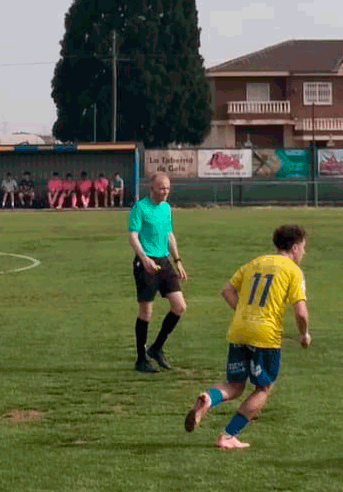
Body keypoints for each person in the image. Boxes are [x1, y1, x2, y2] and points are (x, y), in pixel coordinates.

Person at [184, 224, 311, 450]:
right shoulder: (293, 270)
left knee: (234, 384)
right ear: (294, 247)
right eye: (303, 247)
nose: (304, 252)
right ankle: (227, 436)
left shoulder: (256, 262)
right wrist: (304, 335)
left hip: (239, 329)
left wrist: (244, 313)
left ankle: (208, 399)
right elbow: (300, 312)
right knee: (263, 389)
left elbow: (227, 290)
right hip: (265, 335)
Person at [127, 172, 188, 373]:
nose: (165, 192)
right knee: (146, 311)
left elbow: (169, 234)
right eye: (161, 188)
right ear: (151, 188)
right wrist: (144, 258)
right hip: (146, 262)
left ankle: (156, 348)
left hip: (164, 261)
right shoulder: (140, 207)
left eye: (168, 188)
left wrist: (177, 260)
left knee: (179, 306)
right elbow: (133, 236)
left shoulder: (166, 208)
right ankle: (140, 359)